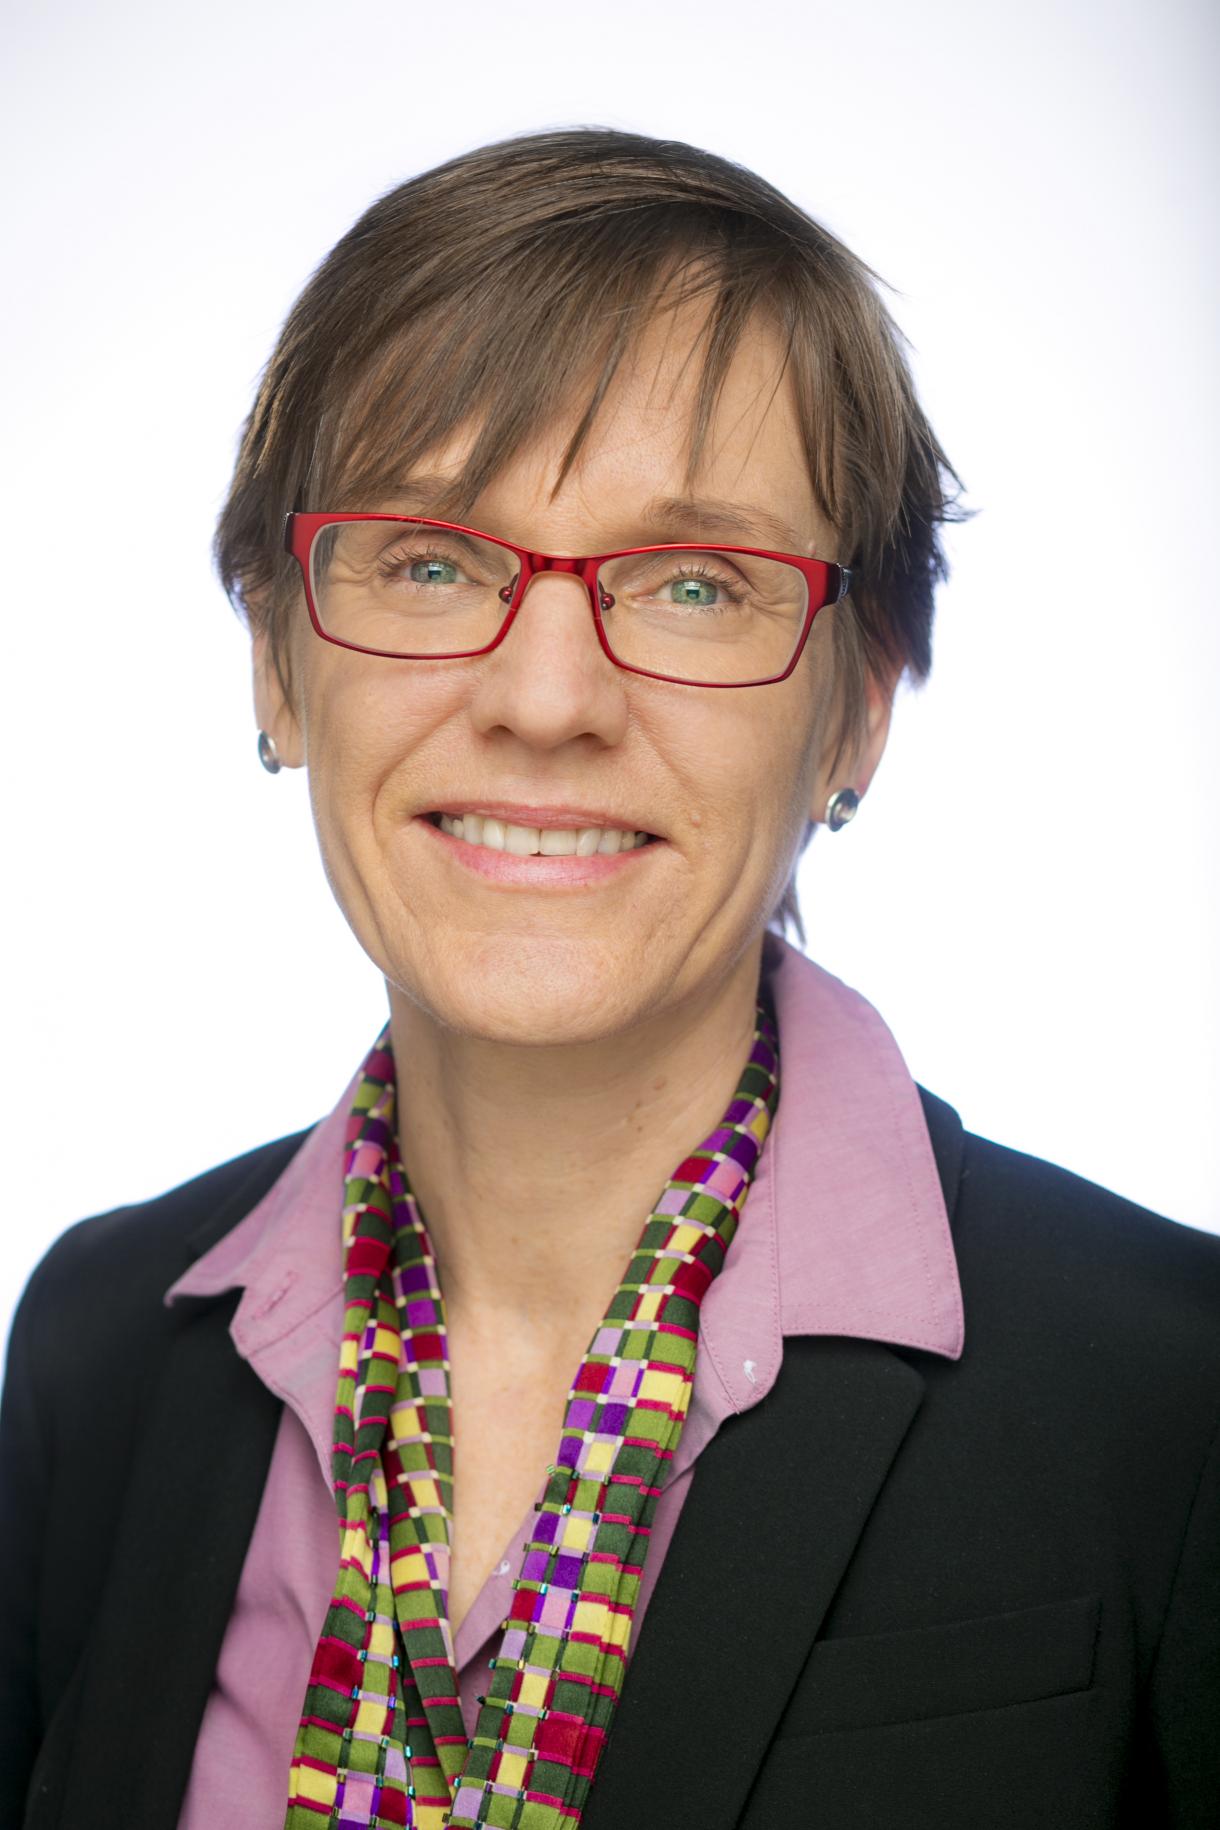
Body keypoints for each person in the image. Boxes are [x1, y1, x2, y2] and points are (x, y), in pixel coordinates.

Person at [1, 126, 1217, 1830]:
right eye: (430, 559)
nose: (547, 696)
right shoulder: (94, 1356)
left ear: (858, 702)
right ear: (279, 659)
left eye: (696, 580)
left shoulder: (1175, 1396)